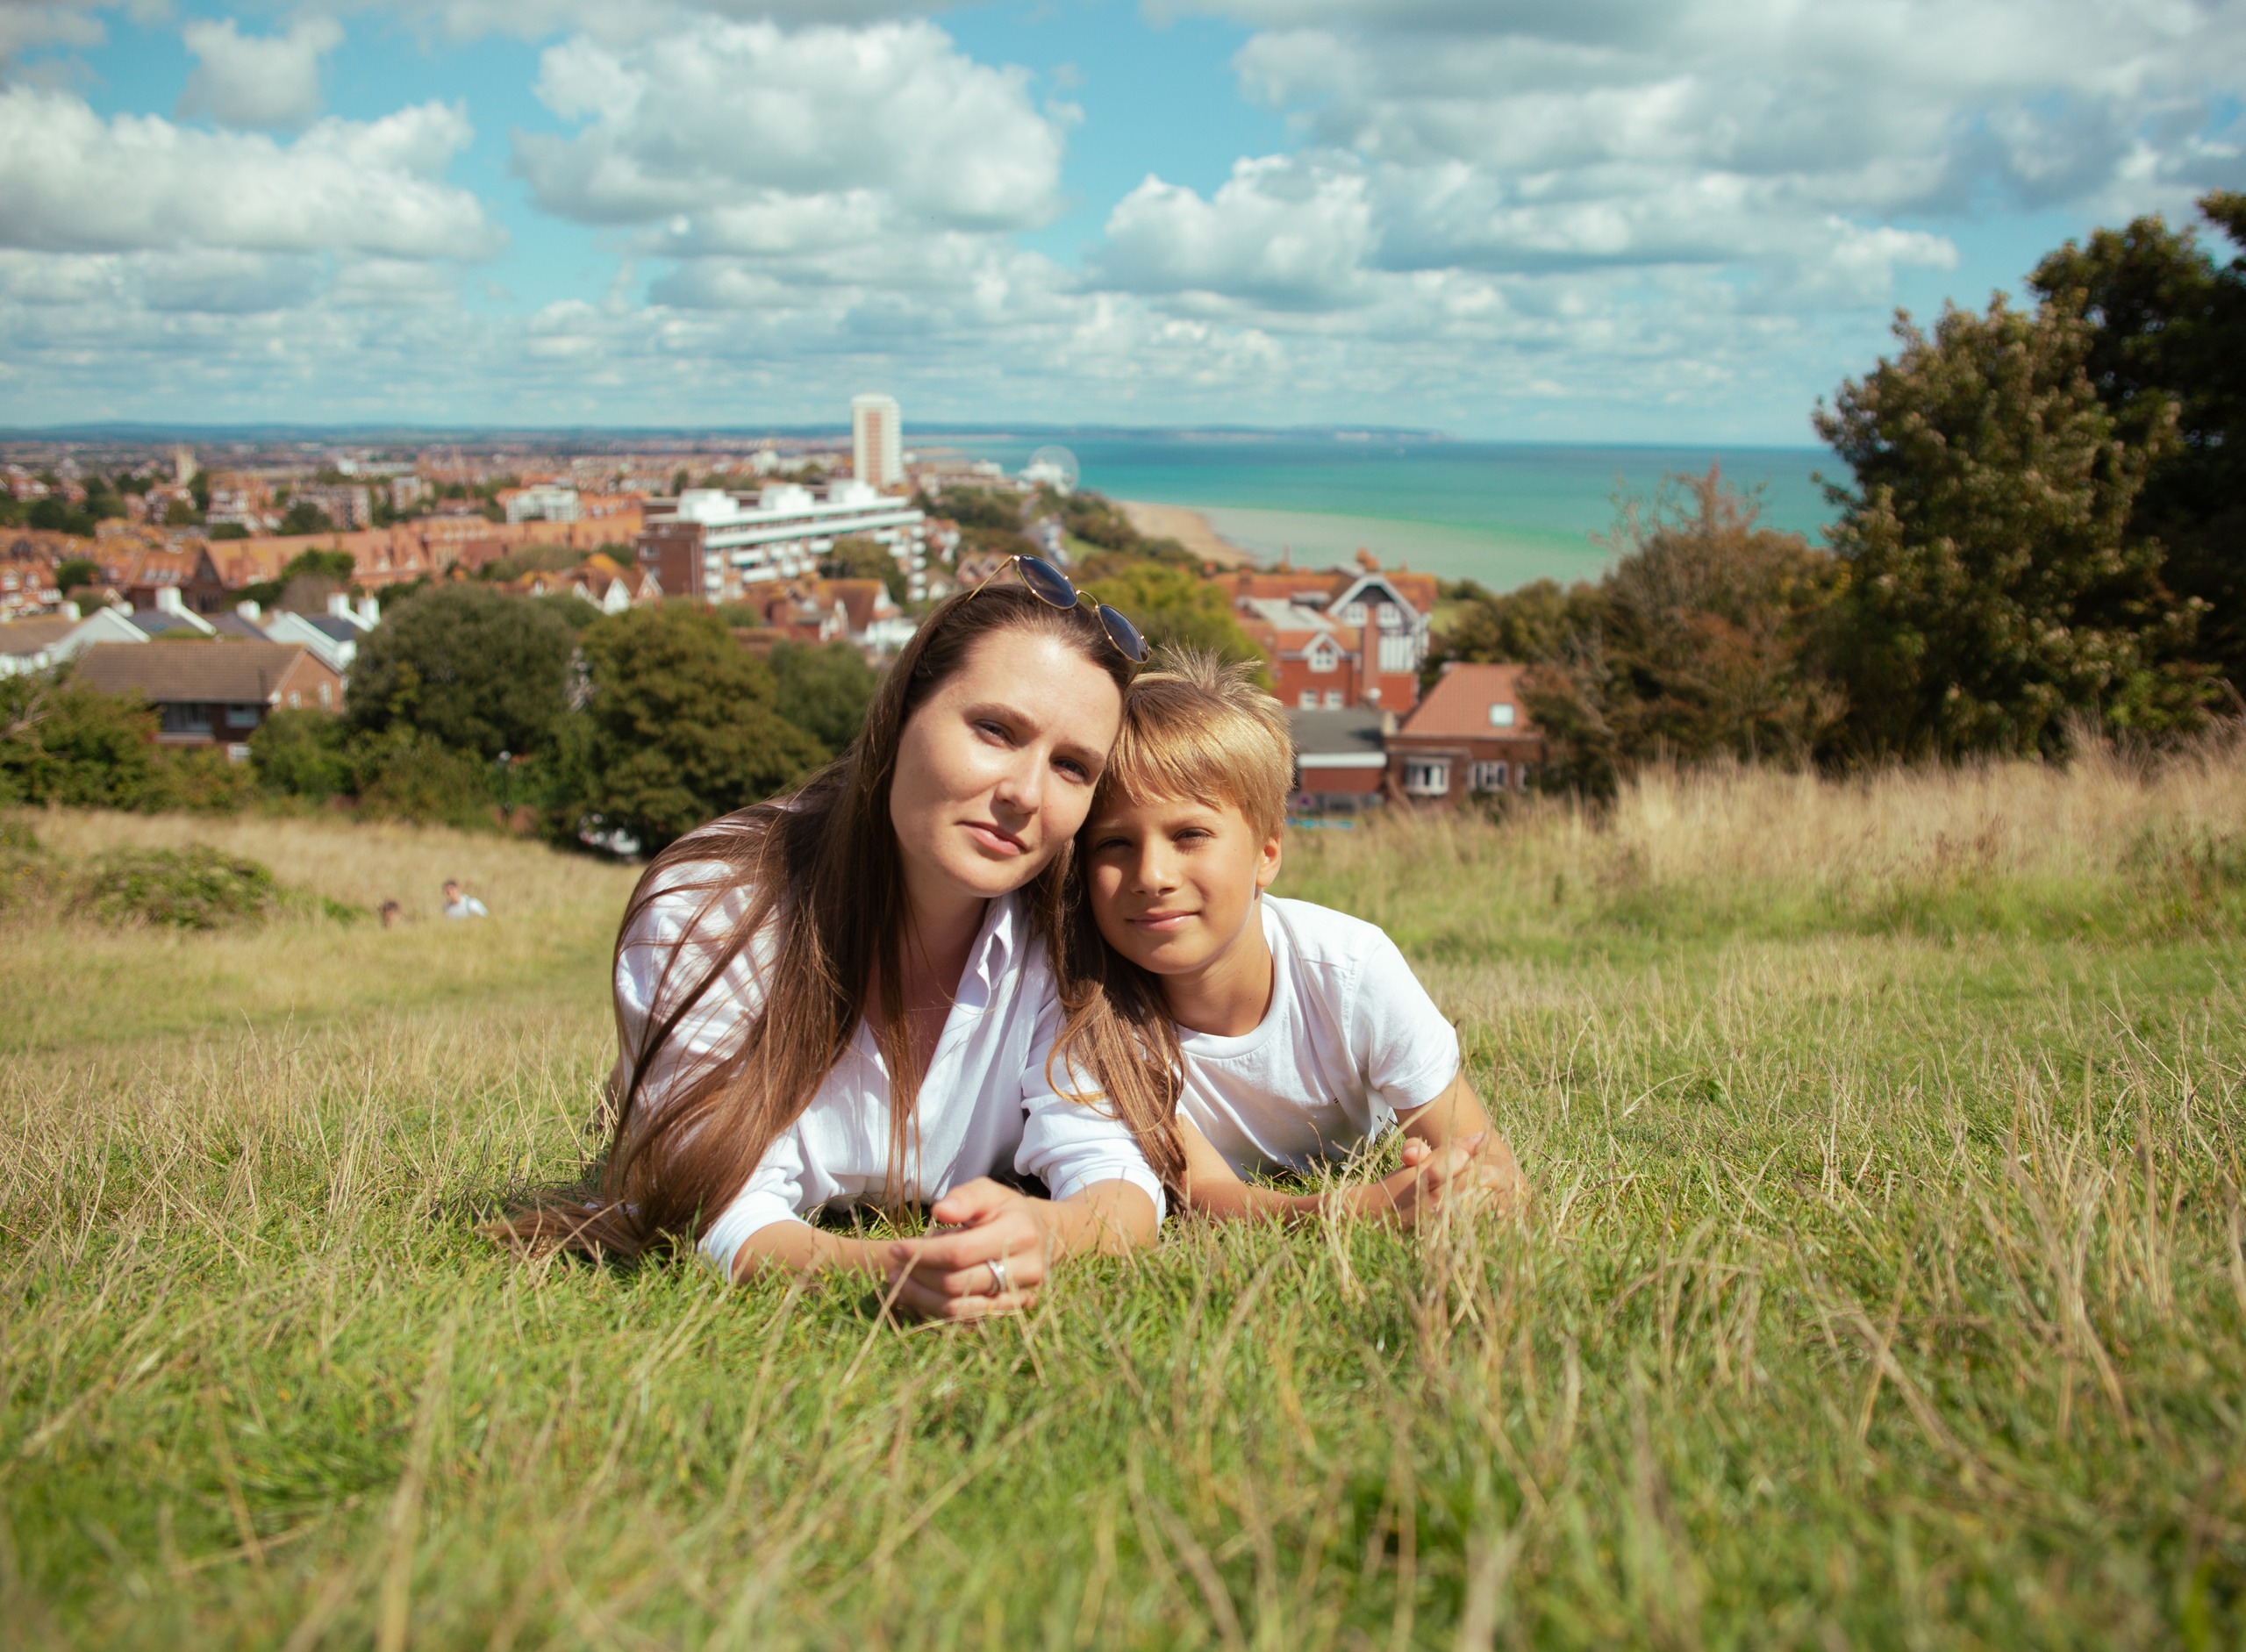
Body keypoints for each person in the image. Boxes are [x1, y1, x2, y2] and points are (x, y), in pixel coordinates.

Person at [501, 571, 1184, 1320]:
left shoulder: (1067, 927)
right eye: (995, 730)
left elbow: (1115, 1170)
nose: (1025, 792)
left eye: (1071, 766)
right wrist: (889, 1267)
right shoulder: (715, 908)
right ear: (899, 716)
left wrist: (1050, 1231)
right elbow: (709, 1202)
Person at [1074, 651, 1523, 1225]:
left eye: (1189, 834)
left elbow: (1486, 1159)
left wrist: (1453, 1185)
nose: (1152, 875)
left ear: (1267, 853)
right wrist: (1363, 1208)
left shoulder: (1352, 969)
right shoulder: (1099, 1019)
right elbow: (1203, 1191)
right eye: (1114, 843)